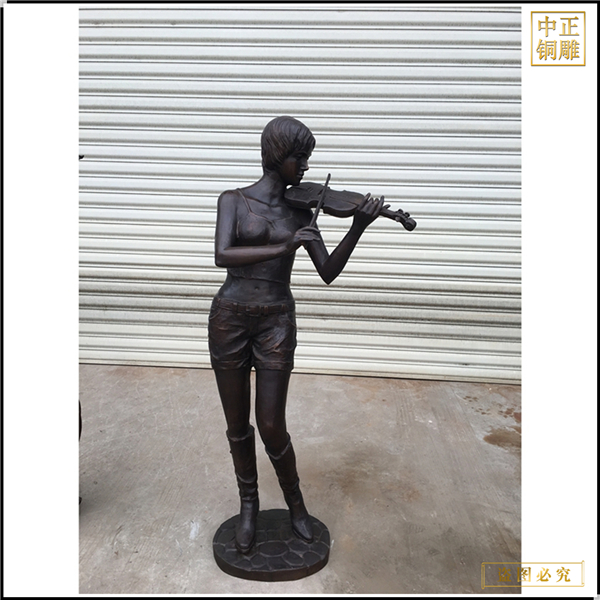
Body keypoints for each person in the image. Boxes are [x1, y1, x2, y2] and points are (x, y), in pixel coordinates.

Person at [209, 116, 385, 553]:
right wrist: (285, 246)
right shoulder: (233, 199)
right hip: (230, 317)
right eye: (300, 157)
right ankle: (248, 504)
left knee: (271, 424)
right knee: (238, 425)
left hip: (277, 321)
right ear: (277, 156)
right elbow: (223, 254)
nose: (306, 167)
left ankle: (296, 503)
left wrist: (357, 227)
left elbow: (328, 272)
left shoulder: (303, 211)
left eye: (306, 158)